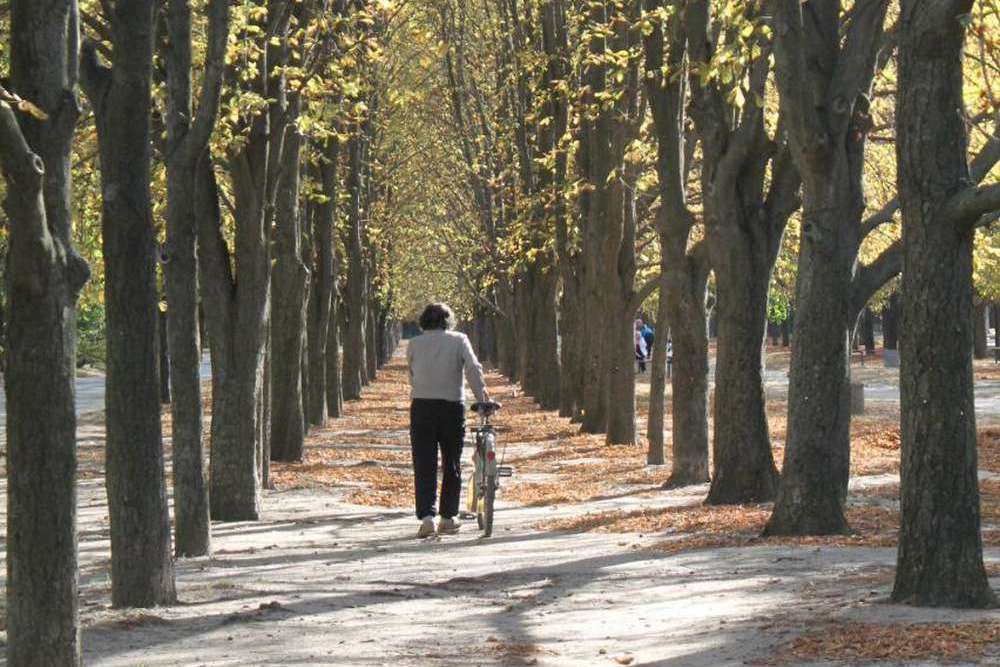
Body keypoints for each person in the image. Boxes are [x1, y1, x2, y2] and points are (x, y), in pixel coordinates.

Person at [406, 303, 489, 538]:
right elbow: (473, 368)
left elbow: (412, 375)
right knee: (451, 463)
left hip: (421, 407)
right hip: (452, 407)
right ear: (448, 321)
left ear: (423, 322)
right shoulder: (459, 340)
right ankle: (448, 517)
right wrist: (482, 397)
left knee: (424, 463)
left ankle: (427, 518)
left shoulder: (414, 343)